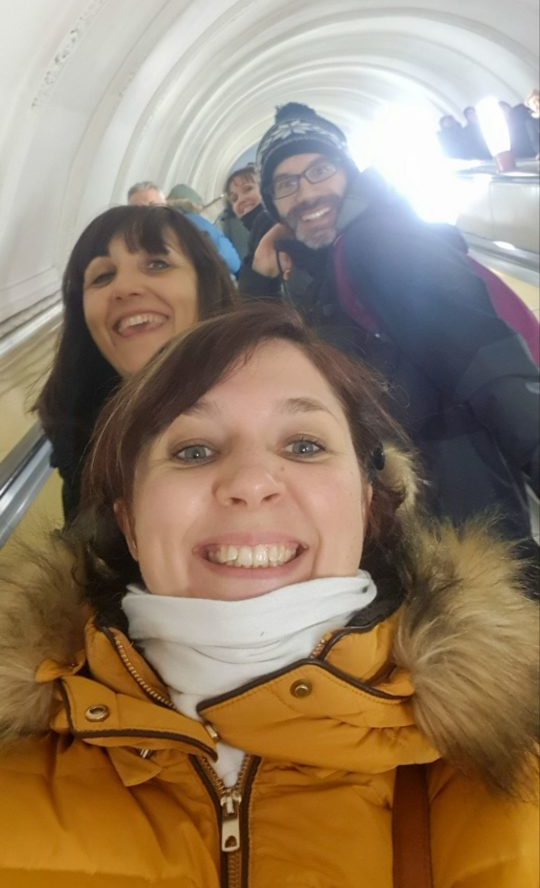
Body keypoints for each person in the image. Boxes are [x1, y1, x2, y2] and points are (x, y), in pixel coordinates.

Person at [0, 303, 537, 887]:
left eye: (304, 445)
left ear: (366, 505)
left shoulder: (514, 757)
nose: (251, 483)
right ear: (129, 522)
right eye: (194, 450)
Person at [239, 102, 540, 560]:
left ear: (349, 172)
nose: (307, 193)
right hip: (418, 501)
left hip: (461, 507)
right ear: (274, 205)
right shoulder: (328, 260)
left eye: (320, 170)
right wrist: (260, 276)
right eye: (286, 184)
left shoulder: (382, 242)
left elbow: (488, 362)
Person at [36, 204, 237, 519]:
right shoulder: (78, 430)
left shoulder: (273, 402)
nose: (124, 288)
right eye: (103, 276)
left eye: (157, 264)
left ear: (205, 285)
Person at [127, 181, 241, 274]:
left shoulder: (193, 226)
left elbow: (231, 262)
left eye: (153, 205)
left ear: (165, 204)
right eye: (139, 210)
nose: (148, 213)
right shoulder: (130, 244)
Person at [219, 164, 266, 260]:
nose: (241, 200)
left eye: (248, 189)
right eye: (234, 198)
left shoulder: (283, 230)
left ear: (265, 189)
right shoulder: (253, 242)